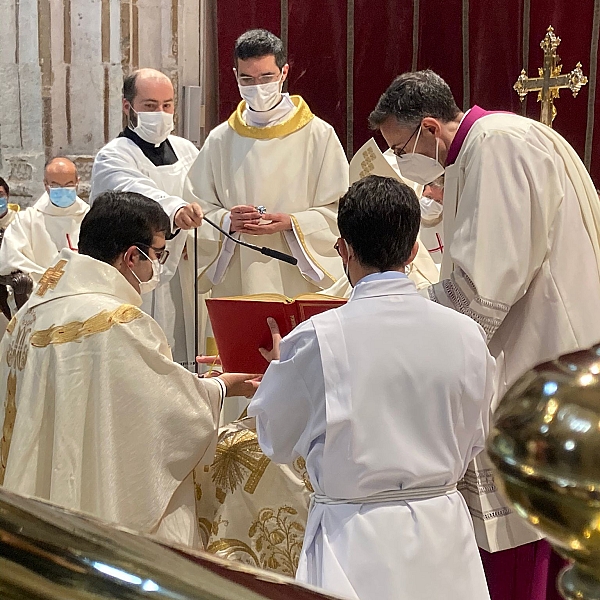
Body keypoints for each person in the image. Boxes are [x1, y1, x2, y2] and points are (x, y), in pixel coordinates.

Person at [368, 68, 600, 600]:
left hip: (533, 349)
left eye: (400, 148)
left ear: (428, 127)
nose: (401, 162)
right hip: (550, 344)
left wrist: (395, 315)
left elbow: (482, 291)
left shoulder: (496, 148)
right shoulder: (503, 138)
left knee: (525, 533)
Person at [248, 175, 495, 600]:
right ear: (414, 250)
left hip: (354, 539)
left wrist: (280, 371)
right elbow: (479, 433)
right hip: (443, 533)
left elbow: (276, 440)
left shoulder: (315, 339)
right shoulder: (467, 334)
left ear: (342, 249)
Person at [0, 191, 254, 547]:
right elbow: (166, 418)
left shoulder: (30, 313)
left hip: (26, 506)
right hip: (91, 514)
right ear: (132, 256)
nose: (158, 265)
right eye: (158, 254)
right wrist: (221, 387)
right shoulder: (116, 322)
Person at [186, 29, 348, 421]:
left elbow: (340, 209)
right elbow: (195, 209)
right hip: (237, 277)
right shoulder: (221, 140)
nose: (256, 87)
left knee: (302, 389)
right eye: (246, 79)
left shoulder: (319, 135)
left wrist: (292, 223)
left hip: (297, 277)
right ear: (235, 76)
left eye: (265, 78)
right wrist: (226, 219)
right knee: (244, 384)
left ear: (284, 72)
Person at [91, 69, 203, 370]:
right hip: (137, 270)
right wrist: (176, 211)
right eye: (151, 106)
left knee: (186, 345)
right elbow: (135, 191)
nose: (161, 113)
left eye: (167, 105)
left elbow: (205, 195)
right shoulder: (113, 156)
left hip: (185, 268)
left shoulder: (187, 150)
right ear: (128, 107)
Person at [0, 158, 89, 283]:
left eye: (68, 185)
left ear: (77, 183)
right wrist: (49, 279)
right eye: (55, 186)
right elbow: (10, 259)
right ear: (45, 185)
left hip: (86, 289)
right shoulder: (26, 220)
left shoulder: (91, 217)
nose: (62, 190)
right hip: (43, 290)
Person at [419, 177, 444, 268]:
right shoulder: (408, 222)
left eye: (438, 201)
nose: (431, 204)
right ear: (421, 194)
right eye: (428, 197)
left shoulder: (451, 221)